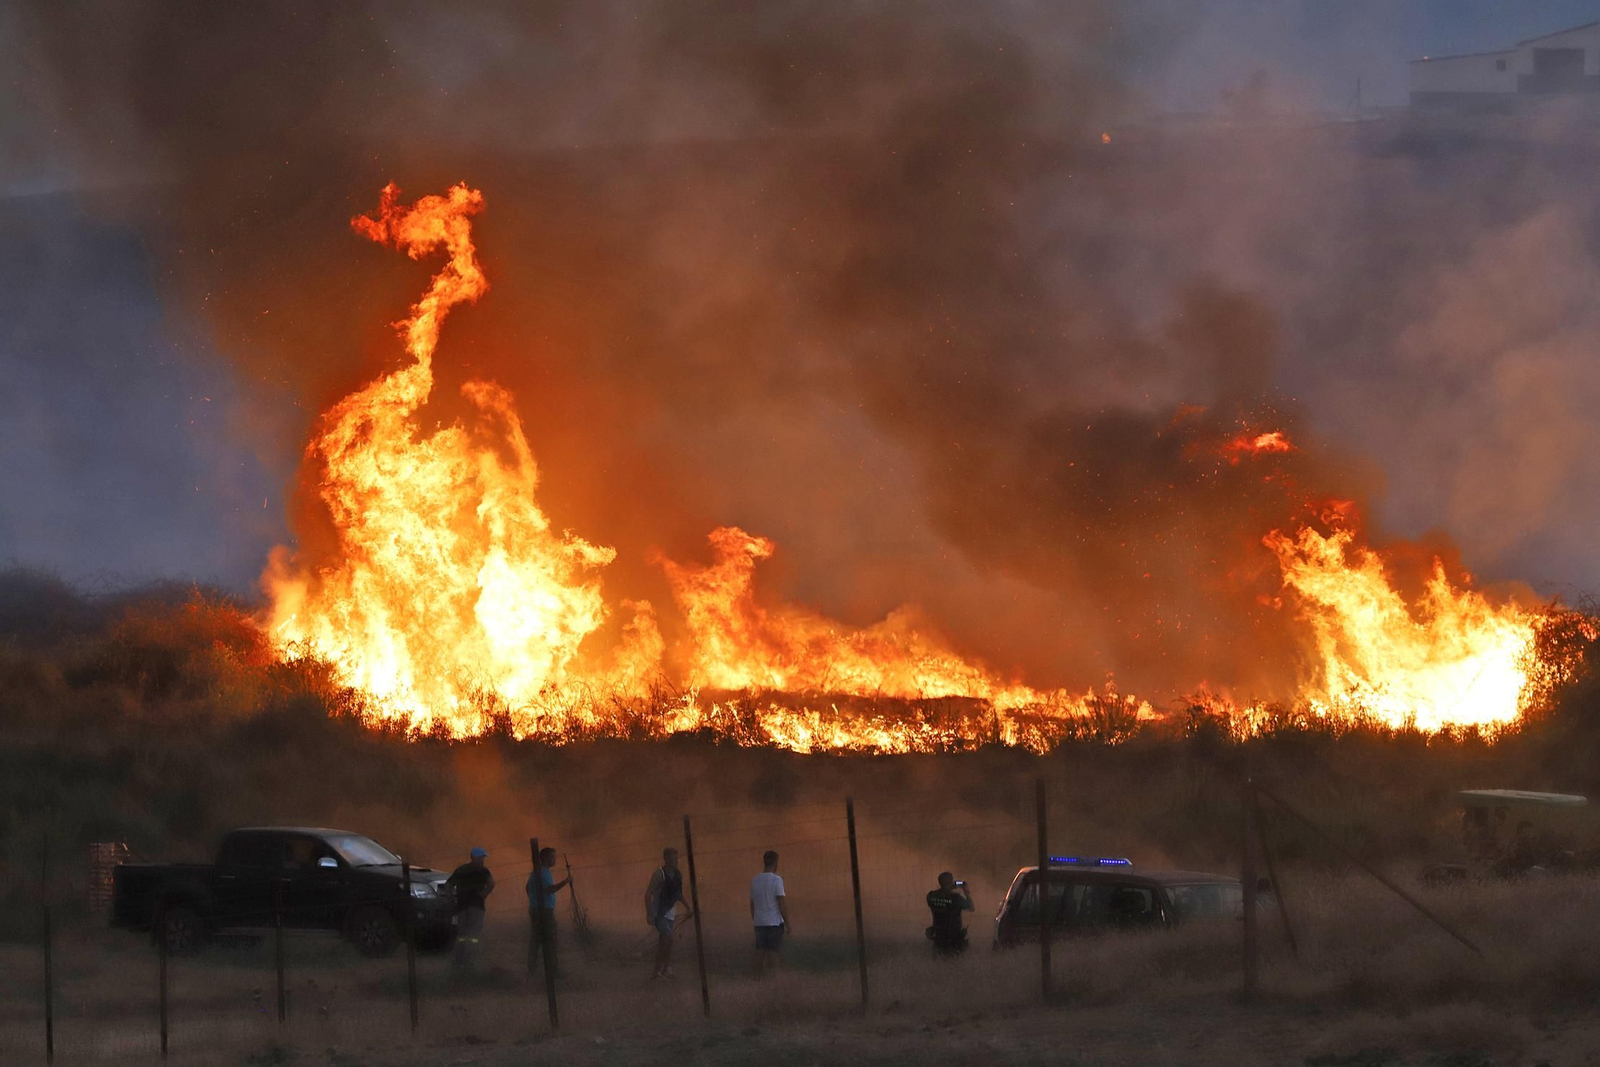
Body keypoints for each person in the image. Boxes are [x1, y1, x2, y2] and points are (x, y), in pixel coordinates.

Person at [445, 847, 494, 971]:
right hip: (476, 907)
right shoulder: (483, 871)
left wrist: (451, 898)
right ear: (475, 858)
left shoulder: (461, 870)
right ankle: (469, 961)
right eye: (482, 857)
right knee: (474, 935)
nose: (483, 860)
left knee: (461, 934)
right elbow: (491, 883)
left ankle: (459, 960)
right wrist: (485, 893)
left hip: (461, 906)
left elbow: (448, 885)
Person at [645, 847, 691, 978]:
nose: (676, 860)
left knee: (665, 942)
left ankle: (659, 971)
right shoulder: (659, 874)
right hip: (659, 912)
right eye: (673, 858)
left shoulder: (677, 874)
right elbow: (648, 894)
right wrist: (649, 914)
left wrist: (688, 908)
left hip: (670, 912)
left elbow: (678, 894)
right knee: (668, 938)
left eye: (676, 858)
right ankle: (665, 968)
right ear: (666, 859)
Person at [525, 846, 571, 976]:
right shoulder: (544, 872)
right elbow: (550, 889)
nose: (554, 859)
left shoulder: (536, 871)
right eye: (552, 857)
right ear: (545, 858)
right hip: (544, 911)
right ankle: (552, 970)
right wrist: (566, 881)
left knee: (536, 938)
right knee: (551, 939)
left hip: (535, 909)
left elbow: (527, 887)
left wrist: (533, 901)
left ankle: (531, 968)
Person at [749, 849, 788, 975]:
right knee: (773, 952)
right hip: (774, 923)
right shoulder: (777, 880)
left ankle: (756, 977)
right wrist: (788, 923)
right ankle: (774, 979)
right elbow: (781, 903)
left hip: (759, 922)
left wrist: (755, 919)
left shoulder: (755, 880)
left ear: (764, 862)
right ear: (776, 863)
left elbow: (752, 904)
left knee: (760, 951)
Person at [925, 872, 974, 956]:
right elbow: (971, 907)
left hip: (939, 936)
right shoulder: (956, 898)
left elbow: (939, 898)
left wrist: (946, 888)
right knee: (954, 963)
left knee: (938, 962)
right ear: (950, 882)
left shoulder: (932, 896)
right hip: (954, 938)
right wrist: (966, 892)